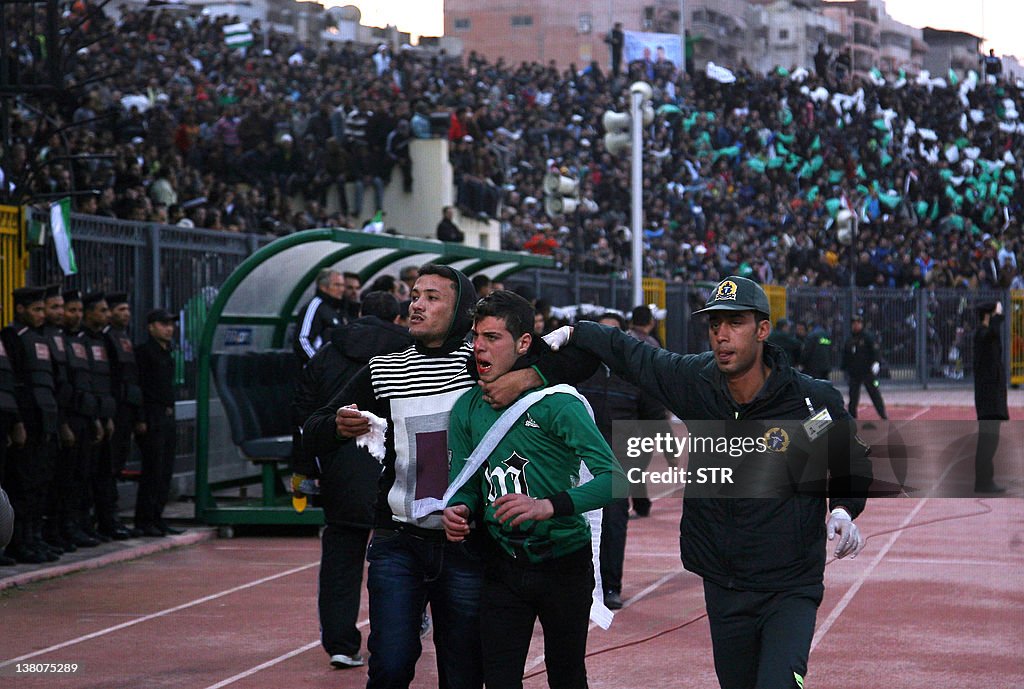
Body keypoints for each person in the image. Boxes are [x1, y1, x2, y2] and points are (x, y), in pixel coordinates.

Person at [542, 276, 872, 689]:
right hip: (723, 580)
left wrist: (843, 508)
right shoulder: (696, 382)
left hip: (790, 584)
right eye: (715, 324)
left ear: (763, 330)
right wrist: (579, 331)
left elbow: (849, 457)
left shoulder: (809, 401)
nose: (722, 335)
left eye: (735, 322)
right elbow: (637, 357)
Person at [304, 264, 593, 689]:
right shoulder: (383, 369)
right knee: (391, 664)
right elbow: (315, 427)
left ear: (460, 310)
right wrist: (335, 426)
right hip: (398, 539)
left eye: (432, 297)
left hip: (469, 546)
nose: (417, 304)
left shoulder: (484, 358)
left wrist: (529, 377)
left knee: (462, 672)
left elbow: (583, 353)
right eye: (415, 295)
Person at [442, 291, 626, 689]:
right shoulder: (466, 407)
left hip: (563, 562)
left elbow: (614, 480)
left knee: (567, 676)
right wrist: (458, 509)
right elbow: (465, 481)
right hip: (502, 563)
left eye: (492, 337)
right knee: (500, 679)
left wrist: (547, 506)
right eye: (476, 336)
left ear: (524, 343)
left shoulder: (557, 404)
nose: (478, 347)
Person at [291, 291, 413, 670]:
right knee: (408, 557)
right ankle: (401, 636)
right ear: (397, 318)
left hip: (341, 467)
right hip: (399, 467)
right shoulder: (411, 350)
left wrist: (308, 469)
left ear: (359, 314)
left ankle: (341, 643)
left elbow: (305, 413)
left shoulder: (329, 351)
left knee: (341, 560)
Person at [576, 313, 668, 611]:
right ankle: (578, 585)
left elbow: (653, 417)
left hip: (618, 460)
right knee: (572, 520)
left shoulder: (633, 374)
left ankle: (610, 586)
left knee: (614, 522)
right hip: (577, 458)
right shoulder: (577, 369)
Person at [1, 286, 60, 563]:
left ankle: (34, 538)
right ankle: (19, 542)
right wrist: (18, 422)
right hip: (25, 418)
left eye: (42, 309)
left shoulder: (40, 339)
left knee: (39, 482)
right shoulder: (13, 338)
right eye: (36, 309)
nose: (42, 314)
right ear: (20, 309)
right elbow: (15, 384)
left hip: (43, 420)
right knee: (22, 485)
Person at [133, 308, 182, 536]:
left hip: (167, 415)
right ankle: (144, 519)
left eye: (171, 324)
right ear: (151, 327)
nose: (169, 329)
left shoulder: (167, 352)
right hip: (152, 415)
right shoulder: (144, 353)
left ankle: (157, 516)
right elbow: (139, 387)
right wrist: (141, 417)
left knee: (165, 469)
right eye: (163, 324)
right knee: (153, 469)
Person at [102, 291, 144, 539]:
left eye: (127, 310)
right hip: (114, 411)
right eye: (120, 310)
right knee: (108, 467)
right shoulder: (107, 339)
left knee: (117, 465)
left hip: (127, 410)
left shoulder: (124, 338)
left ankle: (112, 517)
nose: (125, 315)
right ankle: (106, 518)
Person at [80, 292, 121, 541]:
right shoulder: (81, 341)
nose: (109, 315)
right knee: (81, 476)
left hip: (104, 416)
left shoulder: (103, 341)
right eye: (103, 310)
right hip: (84, 416)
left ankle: (103, 521)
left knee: (104, 472)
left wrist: (107, 416)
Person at [973, 301, 1008, 494]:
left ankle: (986, 480)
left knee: (990, 440)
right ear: (988, 316)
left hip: (992, 397)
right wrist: (997, 314)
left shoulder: (988, 336)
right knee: (988, 440)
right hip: (988, 398)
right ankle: (983, 481)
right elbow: (992, 332)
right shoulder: (982, 335)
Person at [293, 269, 349, 364]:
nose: (342, 289)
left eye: (343, 285)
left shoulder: (338, 309)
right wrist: (318, 364)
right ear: (323, 287)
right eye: (337, 285)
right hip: (319, 371)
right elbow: (302, 340)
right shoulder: (314, 307)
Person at [841, 315, 887, 420]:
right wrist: (844, 367)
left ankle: (883, 415)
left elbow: (875, 350)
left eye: (858, 323)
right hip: (854, 373)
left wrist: (876, 362)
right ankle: (852, 418)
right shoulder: (849, 339)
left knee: (875, 395)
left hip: (867, 372)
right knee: (853, 398)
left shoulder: (867, 337)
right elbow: (846, 355)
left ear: (861, 324)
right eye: (854, 323)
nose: (856, 325)